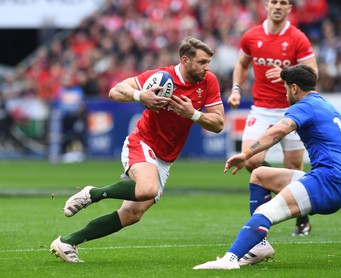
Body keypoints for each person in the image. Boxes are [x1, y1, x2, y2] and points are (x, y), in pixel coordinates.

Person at [50, 36, 224, 262]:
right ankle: (92, 193)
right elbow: (115, 91)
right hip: (142, 142)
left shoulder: (208, 81)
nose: (207, 67)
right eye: (202, 62)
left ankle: (66, 242)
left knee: (132, 214)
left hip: (166, 157)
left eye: (208, 62)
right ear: (185, 60)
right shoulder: (162, 77)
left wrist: (193, 114)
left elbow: (219, 124)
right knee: (146, 189)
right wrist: (139, 95)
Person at [193, 64, 341, 270]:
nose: (285, 93)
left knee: (265, 212)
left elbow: (278, 131)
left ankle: (229, 260)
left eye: (285, 88)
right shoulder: (330, 108)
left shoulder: (303, 106)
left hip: (326, 182)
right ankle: (259, 247)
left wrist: (246, 153)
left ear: (294, 88)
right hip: (335, 182)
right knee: (259, 174)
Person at [226, 0, 319, 264]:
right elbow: (242, 64)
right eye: (274, 1)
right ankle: (269, 184)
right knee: (251, 160)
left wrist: (289, 73)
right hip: (262, 109)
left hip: (292, 111)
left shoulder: (297, 38)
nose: (278, 6)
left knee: (293, 166)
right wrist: (235, 88)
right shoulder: (252, 36)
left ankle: (302, 218)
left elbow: (314, 73)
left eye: (283, 2)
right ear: (266, 5)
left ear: (290, 8)